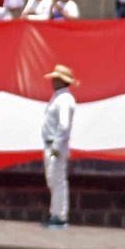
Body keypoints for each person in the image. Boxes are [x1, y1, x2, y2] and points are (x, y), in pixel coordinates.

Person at [41, 65, 77, 229]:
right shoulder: (57, 97)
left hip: (56, 145)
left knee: (57, 180)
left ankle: (60, 216)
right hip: (51, 144)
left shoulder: (64, 100)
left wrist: (56, 145)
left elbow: (64, 125)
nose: (53, 82)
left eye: (56, 79)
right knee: (53, 180)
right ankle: (55, 212)